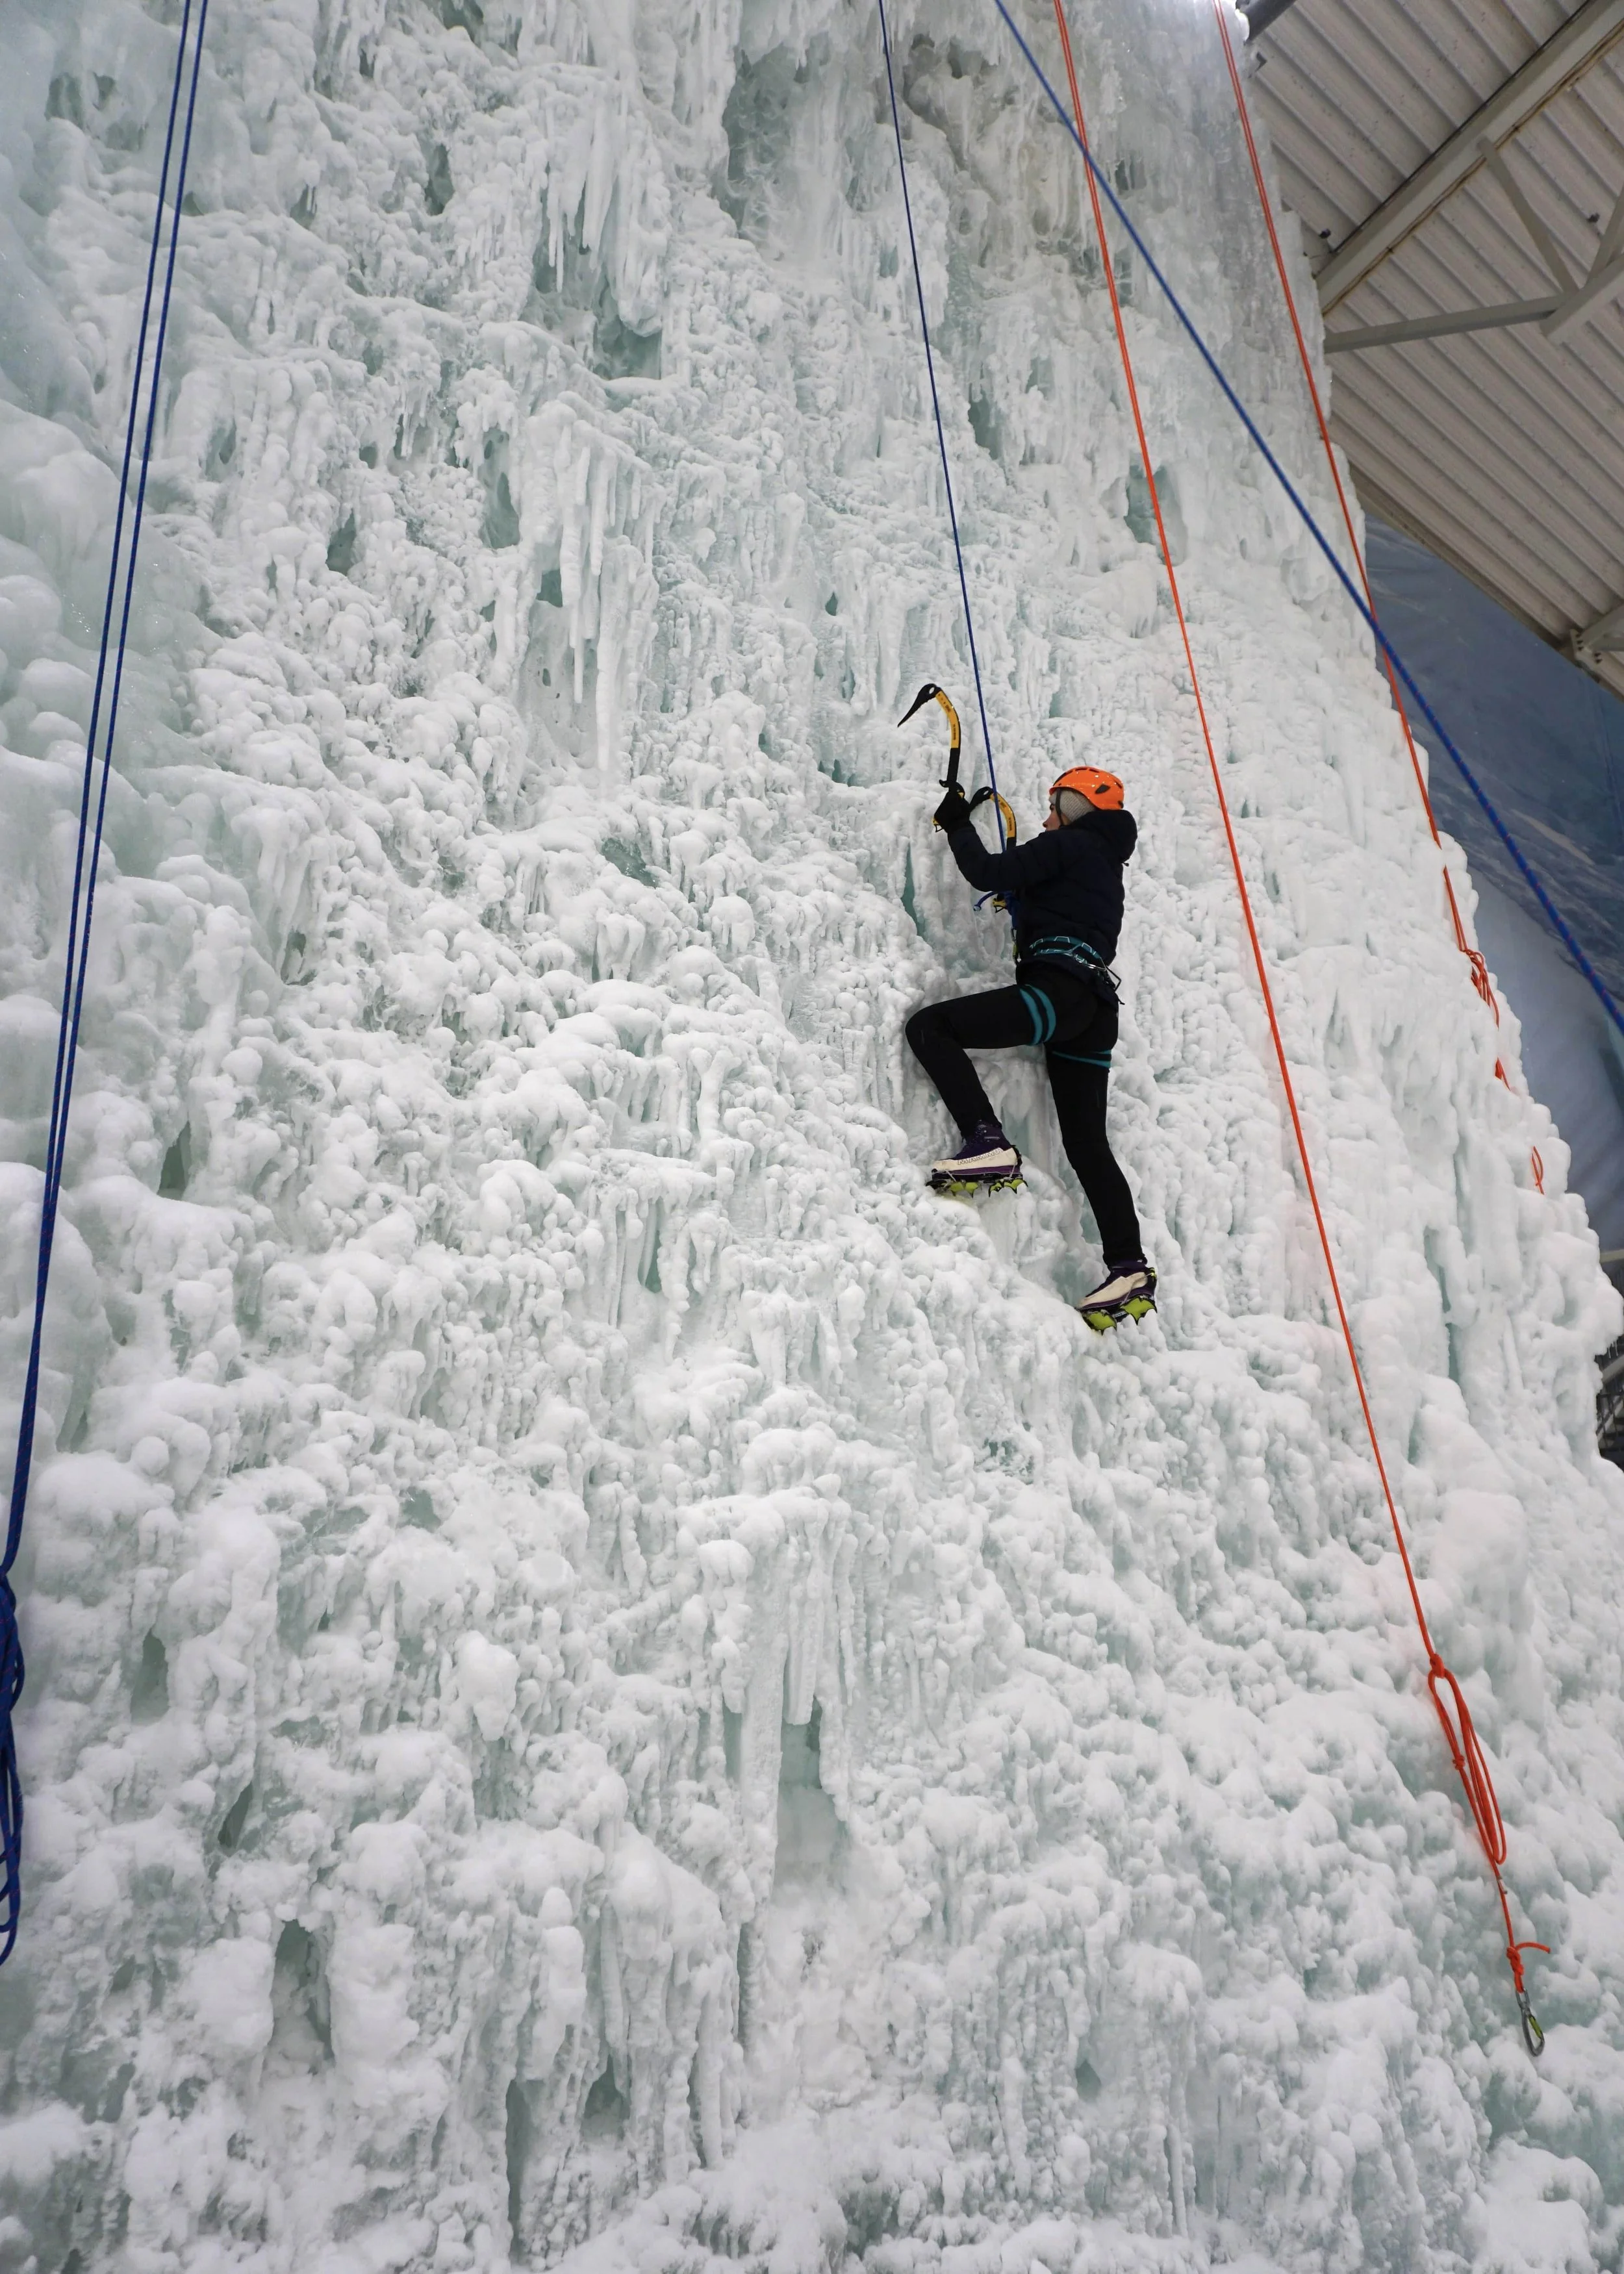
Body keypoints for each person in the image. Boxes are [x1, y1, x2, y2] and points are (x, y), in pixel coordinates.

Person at [904, 764, 1155, 1329]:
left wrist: (955, 824)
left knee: (930, 1028)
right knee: (1088, 1144)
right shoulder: (1104, 864)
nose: (1046, 819)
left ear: (1076, 809)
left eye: (1054, 806)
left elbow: (986, 871)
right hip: (1093, 1009)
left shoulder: (1070, 846)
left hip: (1058, 992)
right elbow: (1052, 898)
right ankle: (1128, 1264)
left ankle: (987, 1138)